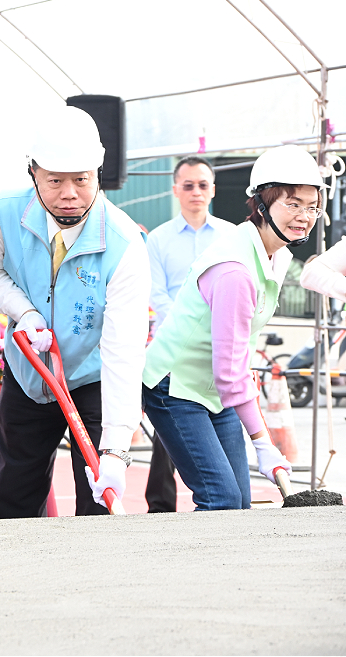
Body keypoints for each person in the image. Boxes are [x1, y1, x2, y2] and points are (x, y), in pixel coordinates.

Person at [0, 105, 150, 517]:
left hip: (92, 377)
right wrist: (25, 312)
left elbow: (123, 349)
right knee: (15, 492)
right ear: (32, 172)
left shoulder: (124, 243)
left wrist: (117, 449)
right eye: (54, 180)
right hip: (28, 372)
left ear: (99, 173)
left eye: (81, 180)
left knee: (98, 500)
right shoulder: (3, 211)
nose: (69, 193)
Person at [141, 145, 320, 510]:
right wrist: (263, 442)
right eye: (292, 204)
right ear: (262, 204)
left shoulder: (278, 254)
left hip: (217, 386)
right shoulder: (235, 269)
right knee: (221, 499)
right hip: (174, 386)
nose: (304, 216)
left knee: (239, 505)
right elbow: (228, 370)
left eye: (312, 206)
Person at [144, 156, 236, 513]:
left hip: (219, 352)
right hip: (171, 354)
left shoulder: (231, 236)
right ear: (175, 191)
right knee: (168, 437)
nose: (196, 192)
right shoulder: (158, 240)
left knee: (219, 452)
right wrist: (188, 330)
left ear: (212, 190)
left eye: (202, 185)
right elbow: (156, 295)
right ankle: (161, 505)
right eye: (188, 185)